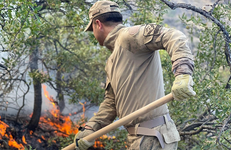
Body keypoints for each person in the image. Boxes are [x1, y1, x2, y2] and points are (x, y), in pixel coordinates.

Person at [74, 0, 196, 150]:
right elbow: (111, 103)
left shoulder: (129, 37)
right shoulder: (112, 62)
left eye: (91, 28)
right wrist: (90, 128)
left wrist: (182, 73)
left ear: (98, 24)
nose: (93, 33)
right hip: (140, 139)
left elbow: (173, 36)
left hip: (152, 136)